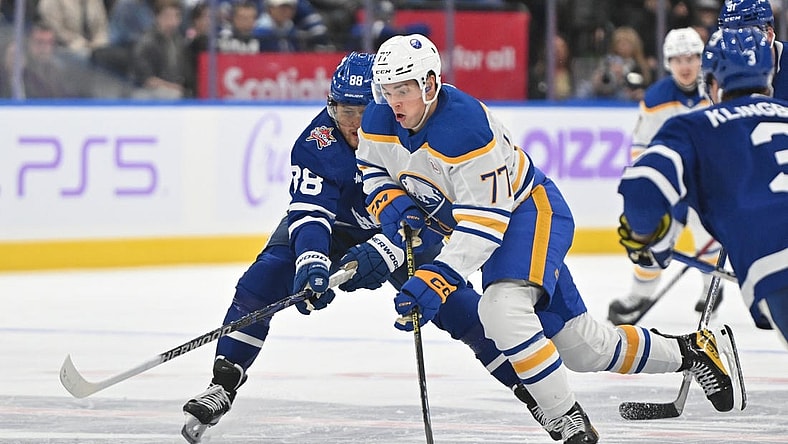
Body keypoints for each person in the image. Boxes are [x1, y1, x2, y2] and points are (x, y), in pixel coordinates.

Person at [358, 33, 744, 443]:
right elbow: (372, 167)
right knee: (584, 347)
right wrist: (388, 199)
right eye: (387, 91)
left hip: (529, 213)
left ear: (430, 84)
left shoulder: (465, 127)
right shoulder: (377, 120)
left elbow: (486, 223)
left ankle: (568, 419)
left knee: (500, 310)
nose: (394, 101)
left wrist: (438, 277)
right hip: (489, 225)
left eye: (404, 90)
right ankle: (695, 351)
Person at [181, 52, 558, 444]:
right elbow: (311, 214)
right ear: (331, 108)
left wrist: (389, 248)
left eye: (365, 112)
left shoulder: (413, 135)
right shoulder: (317, 142)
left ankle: (538, 396)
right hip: (340, 228)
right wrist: (311, 261)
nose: (356, 126)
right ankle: (222, 384)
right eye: (346, 113)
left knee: (460, 309)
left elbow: (430, 214)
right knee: (266, 276)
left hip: (407, 230)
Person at [618, 26, 788, 350]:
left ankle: (702, 283)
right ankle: (642, 293)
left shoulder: (696, 124)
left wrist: (644, 235)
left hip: (775, 260)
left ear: (711, 80)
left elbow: (643, 185)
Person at [607, 27, 722, 325]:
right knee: (652, 238)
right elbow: (641, 147)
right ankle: (639, 293)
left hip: (706, 187)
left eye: (692, 58)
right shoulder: (657, 97)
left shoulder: (715, 91)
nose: (686, 66)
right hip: (670, 187)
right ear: (668, 62)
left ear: (702, 59)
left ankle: (710, 290)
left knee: (707, 236)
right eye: (678, 59)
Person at [717, 0, 788, 99]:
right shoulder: (721, 69)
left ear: (769, 35)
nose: (738, 47)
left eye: (747, 37)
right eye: (731, 38)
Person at [130, 0, 189, 99]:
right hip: (145, 92)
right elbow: (146, 80)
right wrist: (173, 87)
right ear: (157, 17)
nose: (172, 21)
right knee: (174, 95)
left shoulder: (178, 40)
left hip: (172, 89)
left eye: (176, 16)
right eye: (167, 16)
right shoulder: (147, 42)